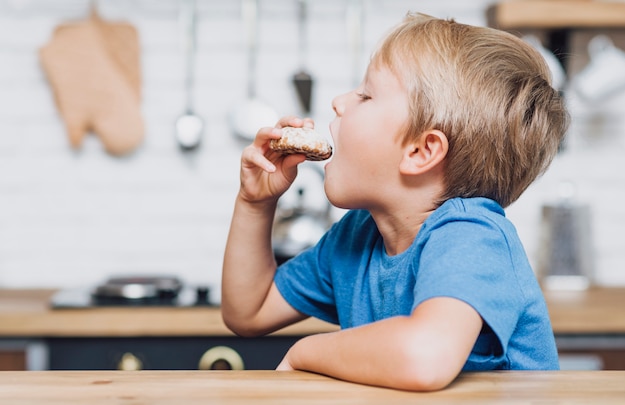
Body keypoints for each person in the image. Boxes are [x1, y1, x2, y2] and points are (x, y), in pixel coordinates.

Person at [221, 12, 569, 391]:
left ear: (421, 151)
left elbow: (424, 357)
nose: (339, 103)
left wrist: (306, 351)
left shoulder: (471, 236)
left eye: (366, 95)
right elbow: (248, 311)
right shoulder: (357, 237)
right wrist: (255, 204)